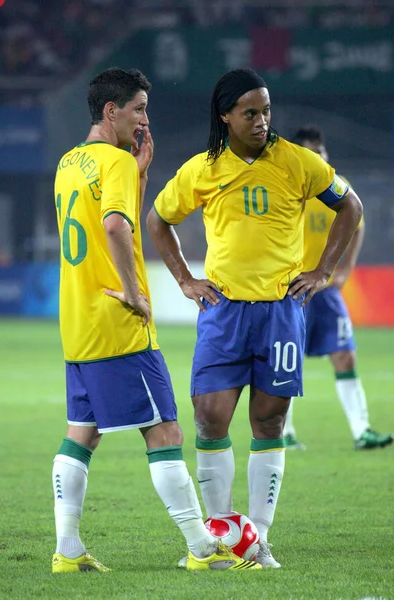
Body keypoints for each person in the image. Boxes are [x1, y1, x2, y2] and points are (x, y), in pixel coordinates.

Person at [146, 68, 363, 568]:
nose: (262, 121)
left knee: (270, 420)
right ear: (225, 117)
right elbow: (157, 220)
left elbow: (349, 206)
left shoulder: (298, 162)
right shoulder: (203, 168)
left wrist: (323, 269)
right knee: (210, 416)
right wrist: (185, 280)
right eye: (250, 112)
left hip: (281, 312)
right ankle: (222, 534)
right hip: (224, 312)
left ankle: (257, 539)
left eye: (266, 110)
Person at [52, 67, 261, 574]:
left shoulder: (70, 161)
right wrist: (132, 290)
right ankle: (203, 548)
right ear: (111, 111)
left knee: (81, 433)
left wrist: (142, 173)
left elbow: (109, 214)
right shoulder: (113, 162)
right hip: (118, 323)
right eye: (139, 108)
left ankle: (68, 551)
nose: (145, 119)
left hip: (77, 321)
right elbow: (117, 223)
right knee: (164, 434)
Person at [283, 126, 393, 451]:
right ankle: (284, 433)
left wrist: (346, 267)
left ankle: (362, 432)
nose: (321, 158)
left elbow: (358, 223)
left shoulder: (336, 187)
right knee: (287, 360)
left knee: (345, 356)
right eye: (313, 153)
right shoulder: (285, 189)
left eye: (323, 152)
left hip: (326, 289)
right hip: (291, 291)